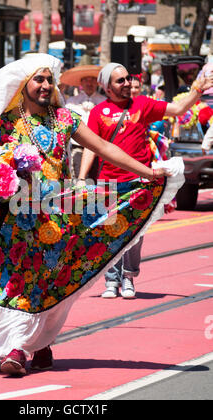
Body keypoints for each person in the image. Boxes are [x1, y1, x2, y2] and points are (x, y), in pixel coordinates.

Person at [0, 53, 181, 377]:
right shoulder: (6, 121)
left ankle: (26, 346)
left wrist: (148, 171)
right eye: (38, 80)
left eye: (48, 80)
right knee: (9, 284)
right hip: (14, 221)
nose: (45, 85)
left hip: (55, 220)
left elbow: (103, 147)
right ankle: (28, 346)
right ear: (23, 85)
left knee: (43, 282)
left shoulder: (64, 119)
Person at [78, 62, 213, 299]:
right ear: (107, 87)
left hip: (139, 181)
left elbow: (179, 109)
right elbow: (91, 147)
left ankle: (128, 277)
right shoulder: (98, 112)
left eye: (128, 79)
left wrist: (197, 90)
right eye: (120, 81)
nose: (128, 83)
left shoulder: (143, 104)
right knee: (108, 232)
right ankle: (111, 280)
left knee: (136, 233)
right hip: (107, 182)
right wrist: (81, 178)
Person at [60, 65, 106, 178]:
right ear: (81, 83)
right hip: (78, 148)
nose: (89, 83)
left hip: (101, 149)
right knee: (80, 181)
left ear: (97, 82)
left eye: (93, 80)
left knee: (99, 181)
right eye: (86, 80)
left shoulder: (105, 102)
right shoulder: (71, 103)